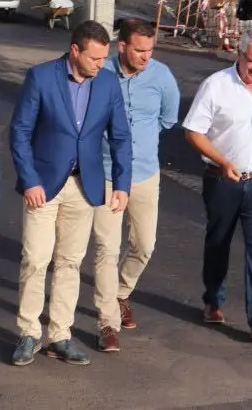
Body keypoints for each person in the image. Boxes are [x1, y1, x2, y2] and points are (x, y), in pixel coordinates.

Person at [9, 19, 133, 367]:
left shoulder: (108, 84)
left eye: (104, 59)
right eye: (94, 58)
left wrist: (122, 184)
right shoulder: (41, 77)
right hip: (43, 186)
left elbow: (120, 137)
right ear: (75, 51)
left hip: (85, 185)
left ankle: (60, 335)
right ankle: (28, 333)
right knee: (35, 260)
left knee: (70, 262)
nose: (100, 65)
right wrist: (30, 179)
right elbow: (19, 132)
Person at [181, 24, 252, 343]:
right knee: (219, 241)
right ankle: (213, 301)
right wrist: (223, 161)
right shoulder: (216, 86)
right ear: (239, 54)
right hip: (223, 181)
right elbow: (193, 132)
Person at [91, 19, 180, 352]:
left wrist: (140, 140)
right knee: (107, 250)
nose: (146, 56)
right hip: (105, 175)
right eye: (139, 50)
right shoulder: (101, 73)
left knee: (144, 245)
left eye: (150, 50)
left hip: (144, 174)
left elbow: (167, 118)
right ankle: (108, 323)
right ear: (122, 47)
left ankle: (121, 292)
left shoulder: (162, 77)